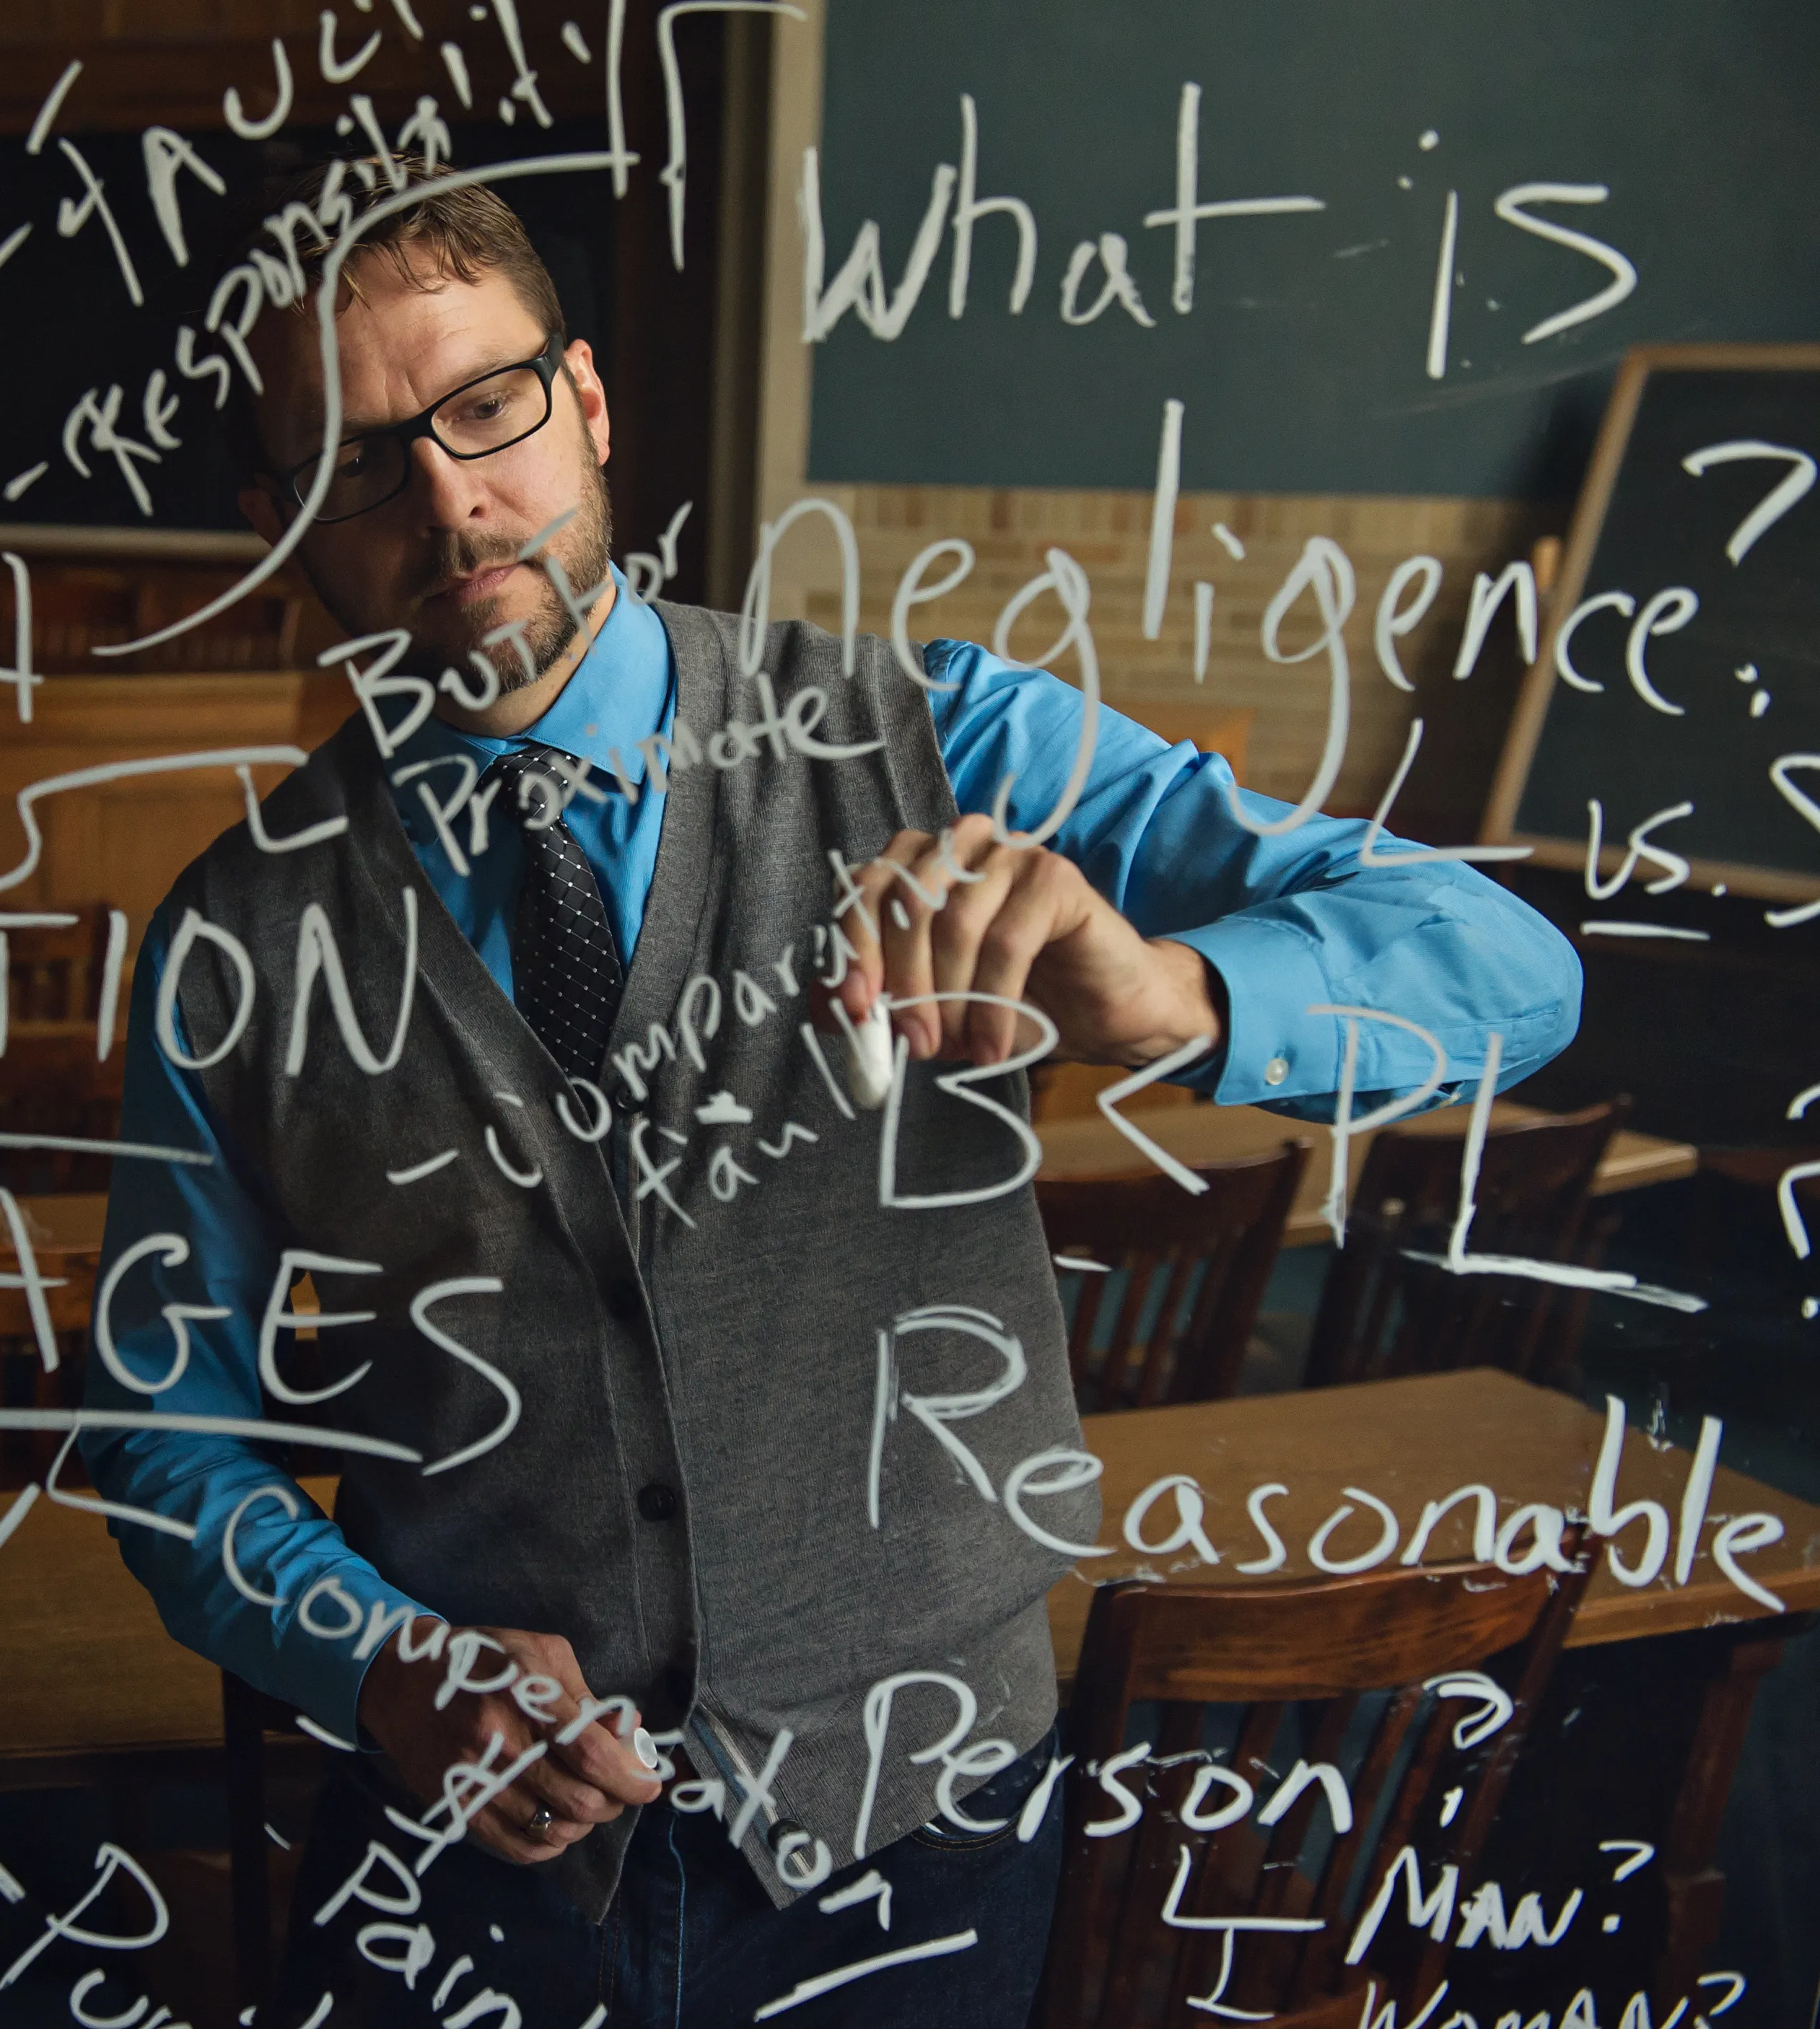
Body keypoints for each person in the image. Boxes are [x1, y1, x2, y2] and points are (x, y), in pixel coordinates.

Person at [77, 158, 1580, 2029]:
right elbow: (161, 1430)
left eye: (486, 407)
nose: (449, 496)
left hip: (926, 1828)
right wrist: (375, 1659)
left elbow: (1512, 965)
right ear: (274, 519)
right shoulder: (233, 932)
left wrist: (1173, 988)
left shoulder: (944, 734)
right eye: (353, 456)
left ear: (591, 402)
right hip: (470, 1862)